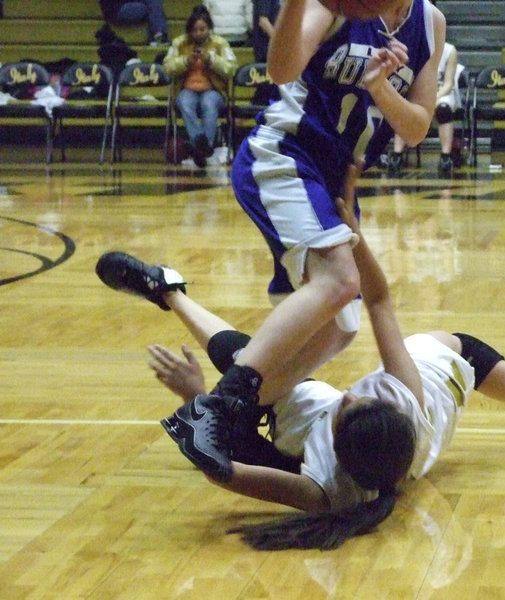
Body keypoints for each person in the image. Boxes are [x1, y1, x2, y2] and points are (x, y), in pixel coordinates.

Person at [95, 168, 505, 550]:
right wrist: (350, 228)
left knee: (252, 367)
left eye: (348, 404)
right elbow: (379, 300)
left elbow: (222, 470)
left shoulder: (326, 492)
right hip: (426, 404)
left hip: (280, 451)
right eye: (364, 398)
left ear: (336, 441)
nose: (352, 391)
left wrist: (194, 395)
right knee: (459, 346)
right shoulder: (407, 405)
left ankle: (171, 292)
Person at [150, 0, 447, 490]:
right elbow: (281, 68)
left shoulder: (429, 22)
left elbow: (415, 127)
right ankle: (215, 410)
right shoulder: (335, 5)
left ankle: (245, 406)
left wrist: (377, 86)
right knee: (341, 282)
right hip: (286, 154)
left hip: (332, 185)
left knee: (337, 330)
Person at [163, 5, 238, 167]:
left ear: (209, 28)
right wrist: (185, 61)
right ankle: (203, 149)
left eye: (203, 29)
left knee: (208, 103)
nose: (199, 33)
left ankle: (203, 146)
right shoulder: (179, 43)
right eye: (195, 30)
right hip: (186, 89)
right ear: (189, 30)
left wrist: (211, 60)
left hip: (213, 90)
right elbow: (168, 67)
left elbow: (231, 68)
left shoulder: (220, 44)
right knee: (184, 103)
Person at [387, 40, 463, 176]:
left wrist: (434, 98)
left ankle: (446, 156)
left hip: (441, 93)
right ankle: (396, 155)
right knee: (403, 109)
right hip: (419, 91)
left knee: (444, 109)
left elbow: (449, 83)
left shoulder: (450, 50)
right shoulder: (415, 47)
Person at [98, 0, 169, 46]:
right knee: (152, 6)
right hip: (117, 10)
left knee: (152, 6)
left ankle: (157, 36)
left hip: (121, 6)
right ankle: (158, 36)